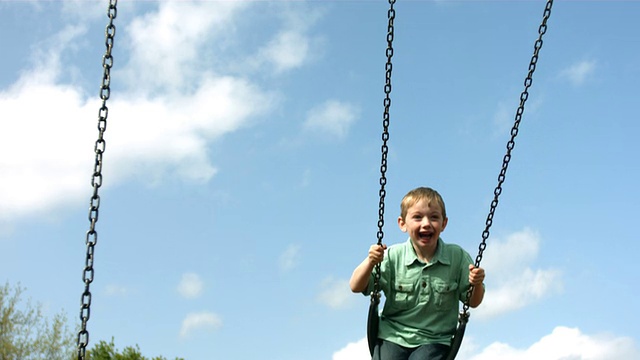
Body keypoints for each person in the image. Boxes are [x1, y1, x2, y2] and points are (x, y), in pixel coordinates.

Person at [350, 187, 486, 360]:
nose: (426, 223)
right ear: (402, 224)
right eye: (417, 217)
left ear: (444, 223)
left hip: (434, 339)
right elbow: (355, 286)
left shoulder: (457, 257)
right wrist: (370, 261)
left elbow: (473, 302)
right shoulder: (393, 256)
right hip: (393, 334)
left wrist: (477, 284)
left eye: (434, 217)